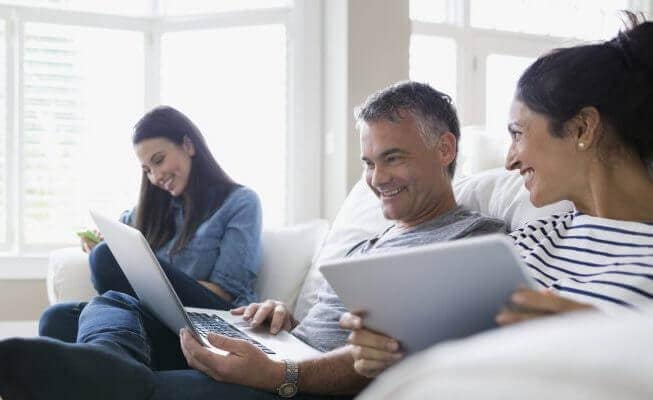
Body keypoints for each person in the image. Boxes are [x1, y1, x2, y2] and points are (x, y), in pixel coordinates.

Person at [0, 82, 504, 400]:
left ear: (445, 149)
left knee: (131, 381)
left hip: (297, 383)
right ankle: (112, 369)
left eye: (392, 158)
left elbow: (386, 356)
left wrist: (279, 375)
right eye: (368, 163)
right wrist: (281, 318)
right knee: (85, 308)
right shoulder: (371, 240)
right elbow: (325, 330)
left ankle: (117, 379)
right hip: (285, 350)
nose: (376, 179)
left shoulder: (473, 243)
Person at [341, 14, 653, 379]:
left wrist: (601, 339)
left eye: (518, 133)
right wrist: (391, 350)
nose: (509, 160)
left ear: (582, 128)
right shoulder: (531, 240)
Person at [40, 106, 263, 342]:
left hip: (212, 317)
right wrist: (98, 240)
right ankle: (124, 347)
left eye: (159, 160)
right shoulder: (152, 210)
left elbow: (228, 293)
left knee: (104, 258)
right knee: (55, 319)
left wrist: (148, 284)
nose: (155, 177)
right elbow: (115, 245)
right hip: (154, 318)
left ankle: (123, 347)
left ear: (188, 145)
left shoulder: (240, 202)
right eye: (147, 170)